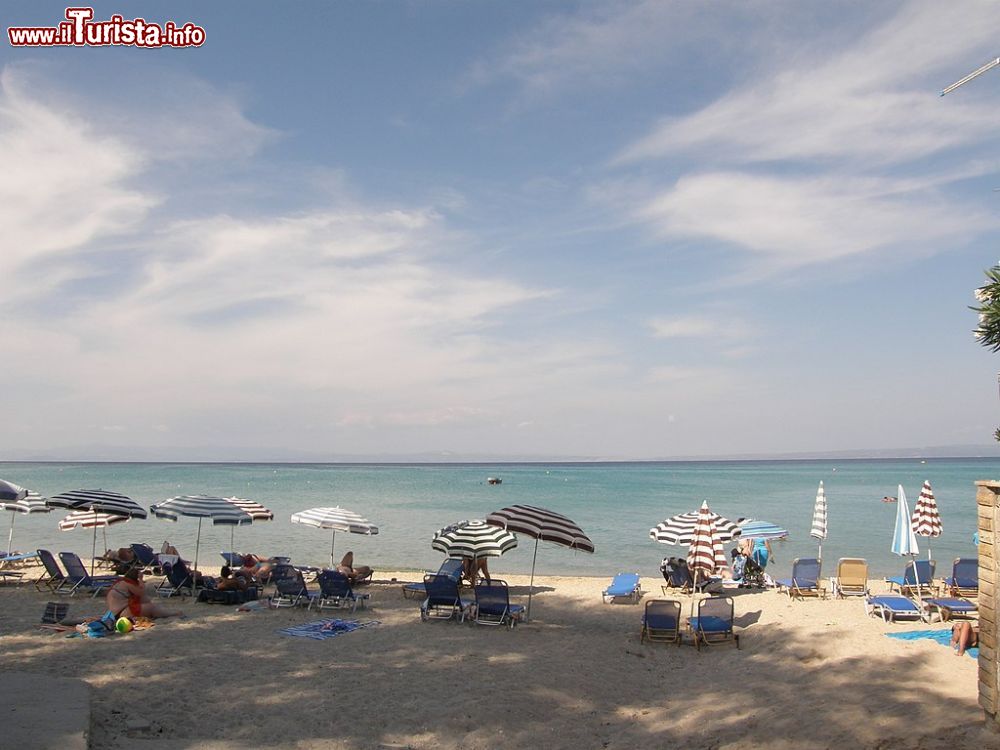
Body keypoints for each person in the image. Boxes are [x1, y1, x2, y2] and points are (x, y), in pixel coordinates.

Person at [106, 566, 184, 619]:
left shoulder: (120, 582)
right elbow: (142, 592)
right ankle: (173, 614)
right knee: (152, 608)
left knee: (147, 603)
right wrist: (140, 579)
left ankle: (163, 612)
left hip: (115, 613)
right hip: (123, 612)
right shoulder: (127, 584)